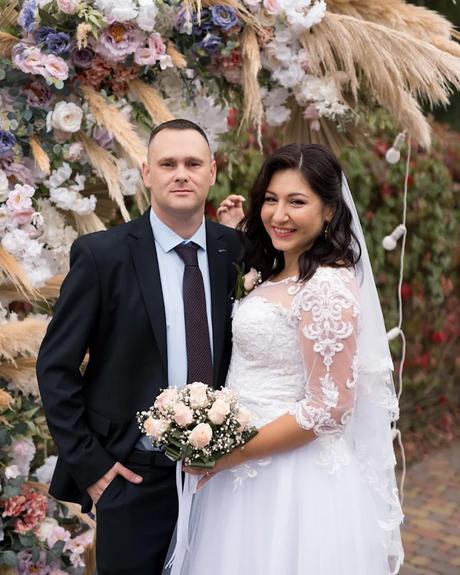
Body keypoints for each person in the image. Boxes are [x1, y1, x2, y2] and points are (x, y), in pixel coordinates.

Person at [174, 144, 404, 575]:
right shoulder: (278, 272)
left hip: (293, 481)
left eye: (297, 202)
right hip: (243, 472)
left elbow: (329, 409)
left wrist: (234, 454)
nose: (279, 215)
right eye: (272, 199)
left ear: (330, 211)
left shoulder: (327, 289)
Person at [36, 119, 242, 575]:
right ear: (146, 173)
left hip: (222, 477)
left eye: (192, 163)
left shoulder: (237, 251)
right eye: (167, 163)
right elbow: (55, 366)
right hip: (132, 475)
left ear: (213, 171)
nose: (180, 174)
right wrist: (93, 468)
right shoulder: (101, 255)